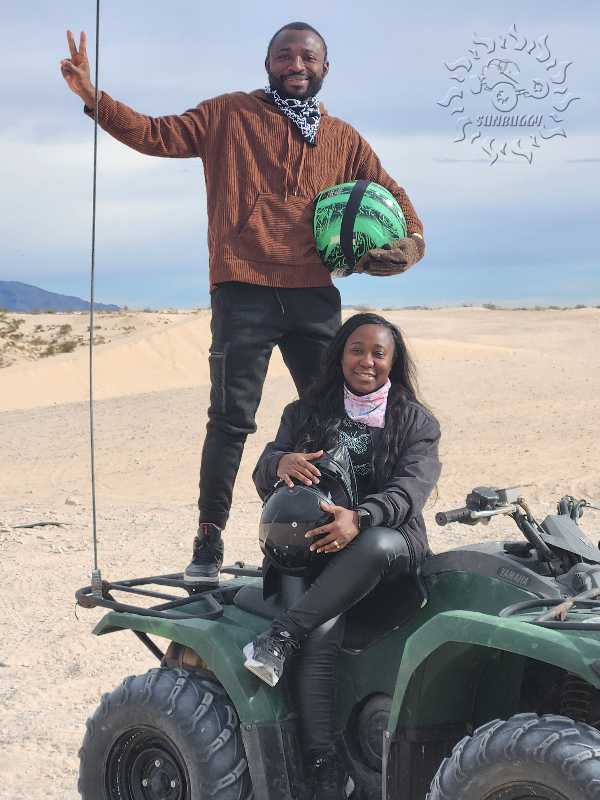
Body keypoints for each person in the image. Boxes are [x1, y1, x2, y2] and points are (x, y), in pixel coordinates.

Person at [60, 23, 427, 585]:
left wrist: (410, 245)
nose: (296, 64)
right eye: (285, 55)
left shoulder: (343, 139)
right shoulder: (228, 114)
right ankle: (208, 543)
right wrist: (94, 97)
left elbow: (394, 198)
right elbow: (156, 134)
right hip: (243, 288)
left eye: (308, 57)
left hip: (313, 294)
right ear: (268, 63)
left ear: (325, 68)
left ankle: (342, 530)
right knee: (231, 421)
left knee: (338, 416)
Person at [248, 313, 441, 799]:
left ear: (394, 362)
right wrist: (280, 462)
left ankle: (281, 634)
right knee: (321, 632)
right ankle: (324, 765)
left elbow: (410, 492)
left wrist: (361, 517)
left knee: (373, 545)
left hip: (385, 547)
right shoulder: (305, 412)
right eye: (357, 350)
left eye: (379, 353)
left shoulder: (416, 422)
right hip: (309, 550)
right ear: (340, 355)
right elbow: (262, 471)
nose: (367, 361)